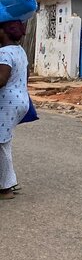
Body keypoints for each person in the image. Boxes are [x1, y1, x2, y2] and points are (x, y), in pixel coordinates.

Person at [0, 19, 31, 199]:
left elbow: (1, 80)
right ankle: (8, 181)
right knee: (4, 142)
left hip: (6, 103)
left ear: (3, 32)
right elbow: (26, 75)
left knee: (1, 144)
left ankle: (5, 189)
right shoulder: (20, 50)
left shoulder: (4, 52)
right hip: (20, 101)